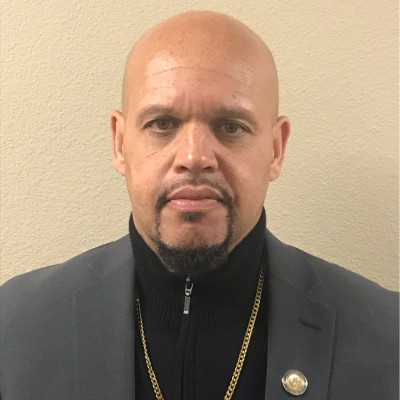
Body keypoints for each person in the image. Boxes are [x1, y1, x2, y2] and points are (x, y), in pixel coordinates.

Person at [0, 11, 398, 400]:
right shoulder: (14, 326)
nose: (194, 157)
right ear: (120, 143)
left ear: (276, 149)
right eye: (162, 123)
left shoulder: (387, 336)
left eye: (231, 126)